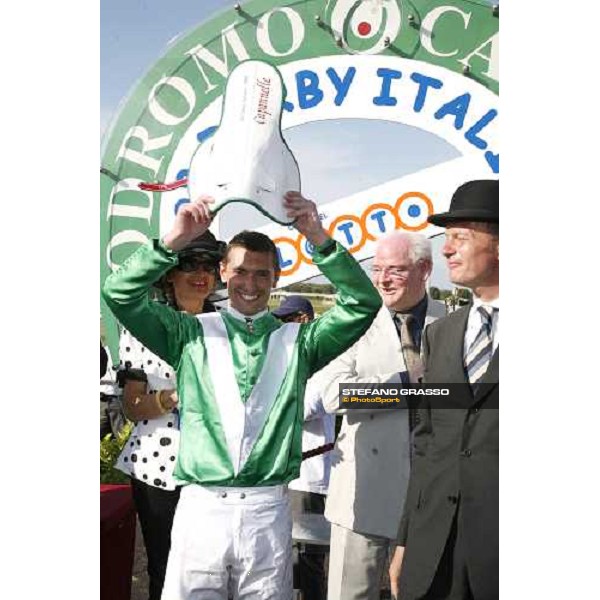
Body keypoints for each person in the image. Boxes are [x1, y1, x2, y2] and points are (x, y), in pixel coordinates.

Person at [102, 191, 382, 600]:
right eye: (240, 272)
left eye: (261, 274)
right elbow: (119, 294)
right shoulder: (188, 333)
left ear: (276, 278)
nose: (249, 284)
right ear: (223, 272)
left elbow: (362, 302)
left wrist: (318, 237)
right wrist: (173, 240)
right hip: (201, 509)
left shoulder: (300, 341)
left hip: (266, 512)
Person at [319, 232, 446, 600]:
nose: (381, 280)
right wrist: (404, 388)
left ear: (425, 269)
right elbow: (333, 393)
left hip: (428, 497)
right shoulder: (353, 321)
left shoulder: (453, 320)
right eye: (376, 269)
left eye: (395, 270)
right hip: (363, 497)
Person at [390, 179, 499, 600]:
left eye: (460, 237)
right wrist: (404, 539)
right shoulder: (440, 334)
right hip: (434, 553)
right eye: (446, 238)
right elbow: (427, 443)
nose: (447, 249)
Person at [113, 231, 224, 600]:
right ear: (169, 274)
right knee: (165, 563)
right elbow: (132, 406)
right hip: (157, 468)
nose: (201, 273)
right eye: (190, 263)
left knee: (213, 564)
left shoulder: (232, 327)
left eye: (209, 265)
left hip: (218, 466)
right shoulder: (143, 325)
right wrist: (175, 396)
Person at [272, 295, 335, 600]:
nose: (282, 327)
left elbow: (303, 407)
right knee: (288, 564)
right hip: (291, 479)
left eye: (287, 320)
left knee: (308, 564)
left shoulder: (320, 363)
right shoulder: (291, 361)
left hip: (311, 482)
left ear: (304, 320)